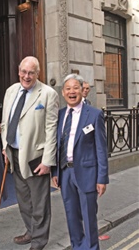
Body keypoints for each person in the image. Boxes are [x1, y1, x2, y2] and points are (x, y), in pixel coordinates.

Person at [1, 56, 59, 250]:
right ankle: (30, 231)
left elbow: (52, 128)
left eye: (31, 72)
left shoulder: (48, 94)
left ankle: (39, 240)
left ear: (37, 73)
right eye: (23, 72)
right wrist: (5, 146)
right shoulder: (11, 91)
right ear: (19, 71)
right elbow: (5, 121)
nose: (26, 76)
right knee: (24, 198)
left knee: (39, 201)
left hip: (36, 157)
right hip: (15, 153)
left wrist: (48, 161)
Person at [52, 74, 109, 250]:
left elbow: (101, 149)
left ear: (82, 90)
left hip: (87, 173)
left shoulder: (94, 114)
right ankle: (77, 246)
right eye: (68, 89)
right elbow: (57, 145)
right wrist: (55, 173)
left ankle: (91, 248)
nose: (72, 92)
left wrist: (102, 178)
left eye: (75, 88)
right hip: (65, 172)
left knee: (89, 217)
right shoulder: (60, 115)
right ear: (62, 93)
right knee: (71, 215)